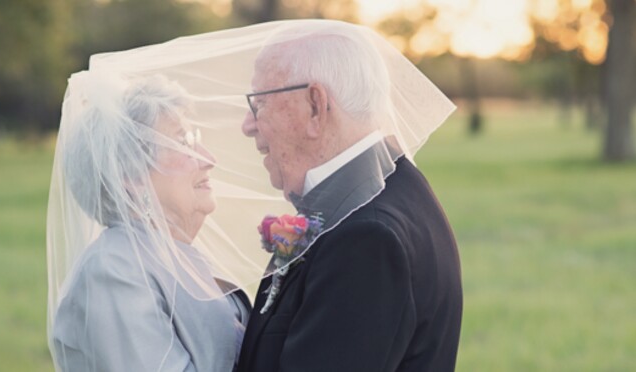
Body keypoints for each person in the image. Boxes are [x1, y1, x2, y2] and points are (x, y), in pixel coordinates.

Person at [237, 22, 463, 371]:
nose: (247, 125)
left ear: (315, 105)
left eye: (260, 103)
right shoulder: (392, 186)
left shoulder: (366, 241)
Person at [46, 72, 251, 371]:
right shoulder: (113, 270)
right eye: (183, 141)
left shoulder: (172, 255)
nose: (208, 159)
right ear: (132, 176)